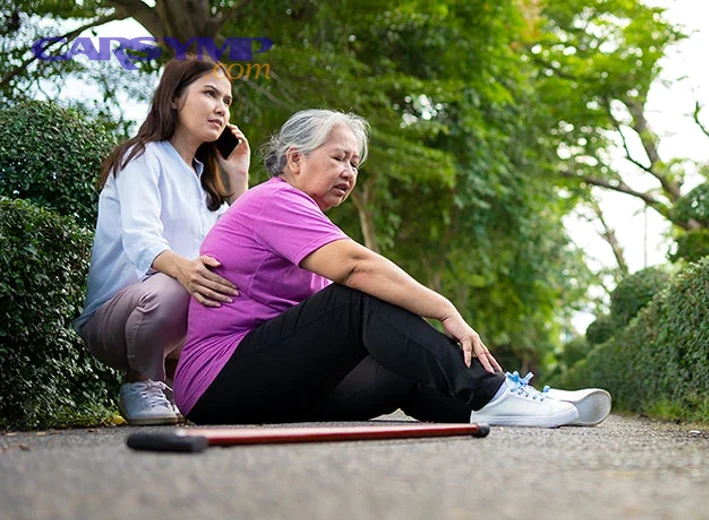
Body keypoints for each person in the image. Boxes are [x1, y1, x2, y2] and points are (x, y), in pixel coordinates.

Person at [174, 109, 606, 428]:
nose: (349, 171)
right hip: (218, 383)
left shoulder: (302, 216)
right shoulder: (275, 200)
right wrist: (445, 310)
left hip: (268, 383)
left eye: (355, 164)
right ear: (295, 159)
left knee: (400, 363)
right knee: (358, 297)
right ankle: (495, 393)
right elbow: (356, 269)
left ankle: (495, 405)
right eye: (339, 157)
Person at [73, 57, 250, 425]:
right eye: (210, 93)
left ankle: (177, 384)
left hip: (175, 315)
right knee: (181, 281)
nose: (221, 108)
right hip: (116, 319)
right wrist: (188, 272)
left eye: (227, 101)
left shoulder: (205, 183)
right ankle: (141, 382)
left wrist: (238, 178)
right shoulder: (141, 157)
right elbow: (142, 240)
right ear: (174, 98)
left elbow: (241, 247)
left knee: (239, 289)